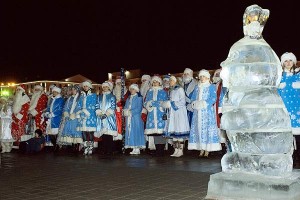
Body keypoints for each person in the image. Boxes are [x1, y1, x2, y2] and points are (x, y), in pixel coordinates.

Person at [188, 69, 221, 158]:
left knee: (206, 130)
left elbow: (213, 98)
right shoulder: (197, 87)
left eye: (204, 76)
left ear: (207, 77)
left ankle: (207, 150)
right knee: (198, 129)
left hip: (206, 112)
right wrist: (194, 103)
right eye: (201, 76)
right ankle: (201, 148)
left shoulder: (211, 87)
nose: (202, 78)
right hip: (197, 112)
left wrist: (204, 103)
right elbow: (192, 98)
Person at [277, 52, 300, 165]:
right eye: (285, 61)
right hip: (285, 111)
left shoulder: (299, 74)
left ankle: (298, 157)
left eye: (290, 60)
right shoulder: (279, 77)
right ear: (282, 63)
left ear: (294, 62)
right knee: (287, 136)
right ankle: (289, 159)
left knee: (298, 135)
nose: (288, 63)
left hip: (298, 110)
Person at [162, 76, 190, 157]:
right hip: (173, 113)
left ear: (175, 81)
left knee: (179, 129)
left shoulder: (179, 89)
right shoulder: (171, 90)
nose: (169, 81)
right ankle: (176, 150)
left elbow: (182, 101)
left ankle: (180, 150)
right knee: (174, 131)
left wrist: (172, 104)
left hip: (179, 113)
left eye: (171, 80)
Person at [144, 75, 168, 156]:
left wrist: (156, 103)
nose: (154, 83)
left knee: (160, 133)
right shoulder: (149, 92)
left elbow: (165, 102)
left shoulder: (163, 92)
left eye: (156, 82)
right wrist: (149, 104)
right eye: (153, 82)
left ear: (159, 82)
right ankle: (157, 150)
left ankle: (161, 150)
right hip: (151, 114)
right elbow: (146, 102)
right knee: (154, 133)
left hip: (160, 114)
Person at [95, 81, 118, 158]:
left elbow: (113, 106)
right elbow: (97, 105)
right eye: (103, 87)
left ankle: (110, 150)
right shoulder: (99, 96)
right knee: (103, 134)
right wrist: (99, 113)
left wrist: (107, 114)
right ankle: (104, 149)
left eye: (106, 87)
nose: (105, 88)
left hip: (109, 117)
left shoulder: (112, 96)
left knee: (109, 134)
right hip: (101, 116)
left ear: (109, 87)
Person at [123, 84, 146, 155]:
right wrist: (125, 111)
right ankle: (133, 147)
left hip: (136, 118)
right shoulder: (128, 98)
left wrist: (130, 112)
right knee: (131, 132)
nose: (131, 90)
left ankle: (137, 147)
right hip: (129, 118)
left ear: (136, 90)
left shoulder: (139, 97)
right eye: (130, 89)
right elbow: (126, 106)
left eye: (133, 89)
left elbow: (139, 108)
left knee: (136, 131)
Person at [76, 80, 97, 155]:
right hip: (82, 116)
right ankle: (85, 148)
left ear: (89, 87)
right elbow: (78, 105)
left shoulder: (93, 95)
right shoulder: (81, 96)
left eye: (86, 86)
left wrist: (86, 111)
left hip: (90, 116)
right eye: (84, 86)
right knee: (84, 132)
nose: (85, 87)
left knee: (90, 132)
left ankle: (90, 148)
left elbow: (94, 105)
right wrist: (79, 112)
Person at [60, 85, 83, 152]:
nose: (73, 91)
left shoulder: (81, 98)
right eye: (72, 90)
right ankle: (72, 146)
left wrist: (75, 114)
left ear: (78, 90)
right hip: (69, 117)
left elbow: (81, 107)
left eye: (74, 90)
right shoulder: (70, 98)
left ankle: (77, 146)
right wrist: (66, 113)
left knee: (76, 131)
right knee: (69, 131)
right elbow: (65, 107)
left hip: (76, 118)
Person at [212, 69, 228, 154]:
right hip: (214, 108)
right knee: (216, 127)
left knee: (222, 126)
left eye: (219, 74)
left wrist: (221, 109)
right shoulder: (214, 85)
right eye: (216, 74)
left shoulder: (224, 85)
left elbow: (223, 97)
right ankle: (217, 146)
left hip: (221, 108)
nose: (217, 75)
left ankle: (224, 147)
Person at [44, 86, 64, 151]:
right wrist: (47, 113)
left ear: (58, 92)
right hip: (51, 119)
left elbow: (60, 109)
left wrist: (52, 114)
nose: (54, 93)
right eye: (53, 92)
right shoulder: (52, 99)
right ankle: (55, 145)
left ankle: (57, 146)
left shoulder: (60, 99)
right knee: (50, 133)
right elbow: (49, 108)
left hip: (56, 119)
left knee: (55, 133)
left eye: (55, 92)